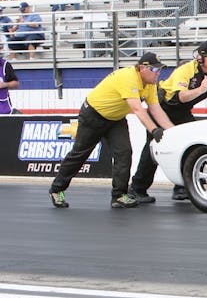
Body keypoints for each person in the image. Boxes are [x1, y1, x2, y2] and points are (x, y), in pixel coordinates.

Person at [48, 53, 175, 209]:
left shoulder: (150, 84)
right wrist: (154, 130)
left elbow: (156, 109)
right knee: (80, 153)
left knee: (124, 153)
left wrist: (172, 131)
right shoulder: (129, 77)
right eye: (155, 69)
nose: (158, 73)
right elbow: (138, 109)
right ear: (142, 68)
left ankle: (119, 195)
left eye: (159, 70)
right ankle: (56, 189)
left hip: (115, 118)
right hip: (93, 115)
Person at [129, 39, 207, 203]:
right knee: (154, 146)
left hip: (182, 112)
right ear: (200, 58)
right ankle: (137, 188)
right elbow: (180, 97)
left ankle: (182, 187)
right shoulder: (185, 70)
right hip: (163, 107)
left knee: (188, 144)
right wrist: (202, 88)